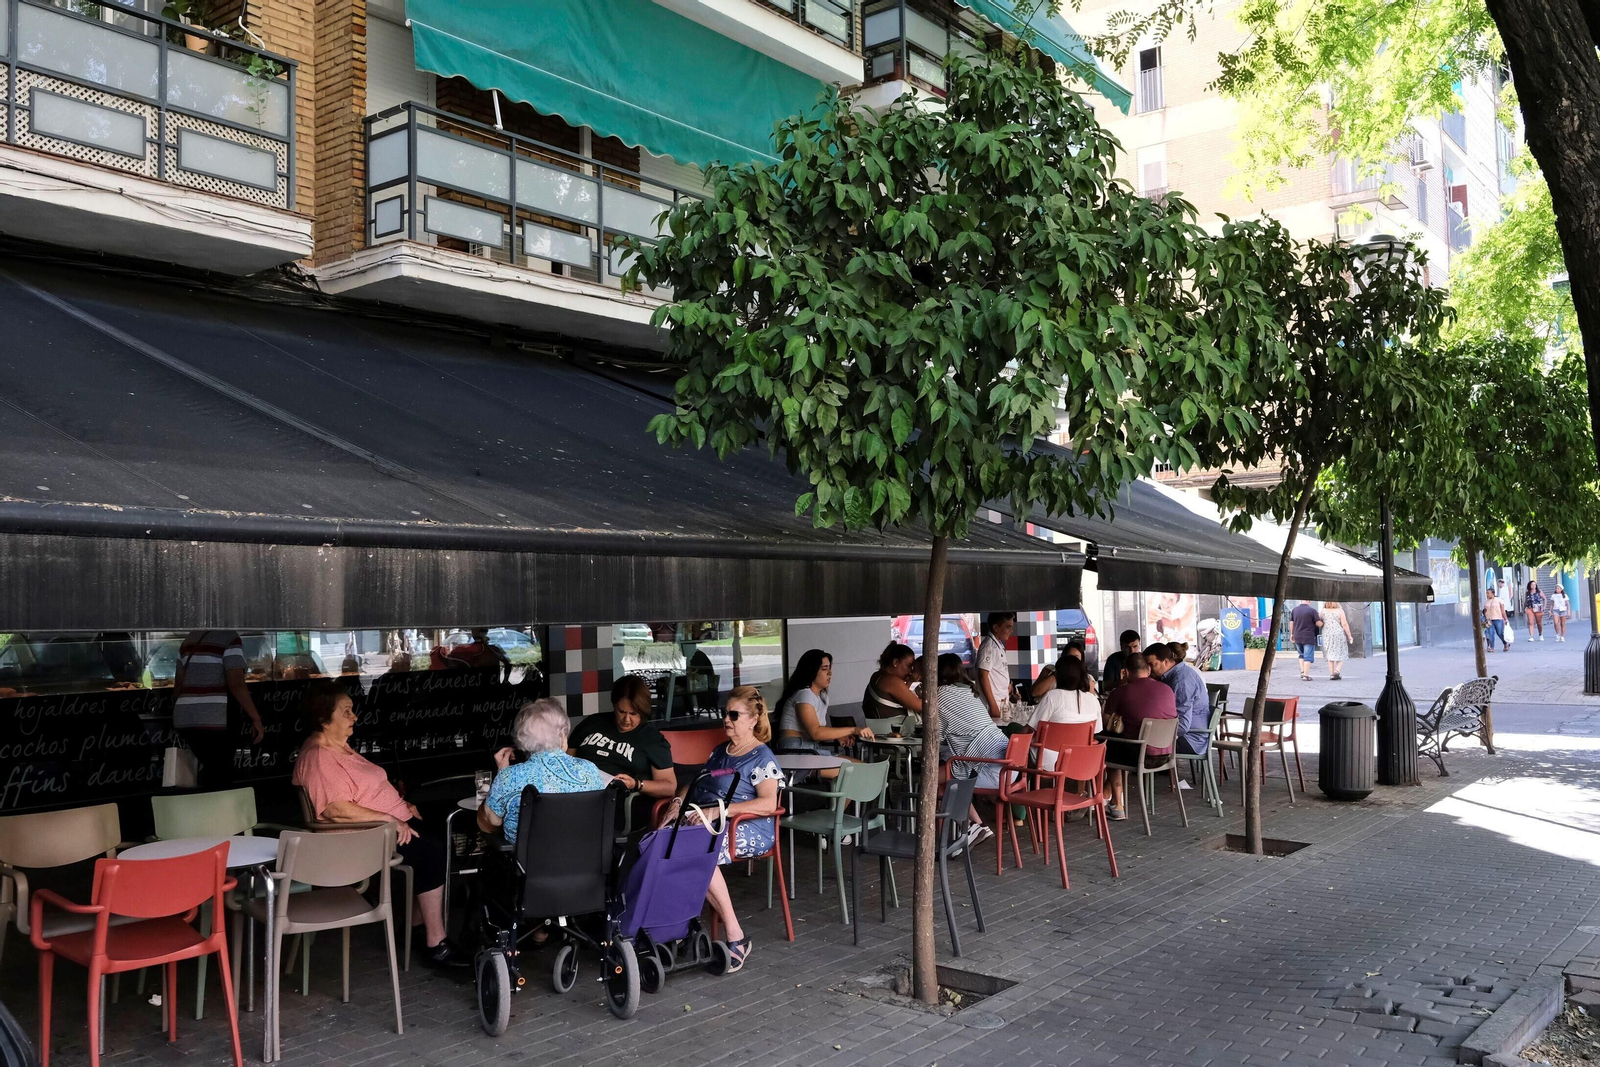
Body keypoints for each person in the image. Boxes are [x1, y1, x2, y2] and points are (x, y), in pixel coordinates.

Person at [293, 680, 464, 968]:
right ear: (324, 718)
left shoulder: (338, 747)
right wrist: (390, 817)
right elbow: (336, 809)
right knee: (432, 850)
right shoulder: (319, 757)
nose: (354, 717)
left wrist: (399, 802)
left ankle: (414, 926)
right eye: (346, 711)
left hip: (388, 826)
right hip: (365, 840)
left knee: (447, 833)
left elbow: (363, 791)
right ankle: (436, 943)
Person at [662, 686, 781, 974]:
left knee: (699, 854)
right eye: (724, 713)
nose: (726, 719)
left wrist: (721, 812)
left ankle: (735, 936)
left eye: (733, 715)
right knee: (663, 845)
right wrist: (678, 802)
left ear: (753, 719)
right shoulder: (720, 752)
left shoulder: (761, 757)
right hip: (707, 822)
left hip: (749, 827)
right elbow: (697, 781)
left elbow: (768, 803)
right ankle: (677, 927)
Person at [479, 698, 607, 845]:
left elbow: (489, 823)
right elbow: (599, 818)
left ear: (522, 739)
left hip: (528, 866)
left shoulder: (510, 777)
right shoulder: (589, 770)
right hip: (587, 863)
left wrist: (501, 773)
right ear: (563, 735)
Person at [569, 675, 677, 816]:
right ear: (614, 705)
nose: (626, 719)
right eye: (621, 711)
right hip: (579, 793)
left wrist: (636, 784)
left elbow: (669, 787)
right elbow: (567, 758)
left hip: (618, 802)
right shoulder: (592, 723)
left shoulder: (652, 739)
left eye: (633, 713)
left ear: (643, 712)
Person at [173, 629, 265, 790]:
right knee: (220, 774)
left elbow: (178, 685)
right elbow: (236, 683)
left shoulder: (190, 639)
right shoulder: (229, 638)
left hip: (185, 718)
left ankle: (204, 808)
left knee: (208, 772)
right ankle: (218, 811)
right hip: (215, 719)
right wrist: (255, 718)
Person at [932, 655, 1002, 849]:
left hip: (987, 768)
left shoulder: (940, 694)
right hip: (1006, 765)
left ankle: (962, 831)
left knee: (929, 779)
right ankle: (974, 826)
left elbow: (934, 736)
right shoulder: (970, 692)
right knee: (942, 781)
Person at [1102, 653, 1176, 820]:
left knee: (1108, 744)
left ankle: (1117, 804)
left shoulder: (1120, 692)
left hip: (1139, 755)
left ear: (1125, 673)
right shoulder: (1167, 690)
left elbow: (1106, 722)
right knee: (1118, 745)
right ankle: (1106, 795)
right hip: (1166, 755)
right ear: (1149, 670)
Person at [774, 649, 873, 754]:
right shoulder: (804, 694)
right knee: (853, 767)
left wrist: (839, 736)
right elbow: (815, 732)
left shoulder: (822, 696)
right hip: (795, 748)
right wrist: (853, 730)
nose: (830, 673)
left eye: (830, 668)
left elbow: (819, 730)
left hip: (810, 748)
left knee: (855, 767)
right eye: (824, 669)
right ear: (811, 671)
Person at [1029, 656, 1101, 770]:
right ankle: (1078, 787)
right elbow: (1096, 732)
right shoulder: (1093, 700)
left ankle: (1032, 786)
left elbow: (1030, 730)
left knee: (1024, 747)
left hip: (1050, 762)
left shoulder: (1052, 696)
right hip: (1083, 760)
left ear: (1057, 676)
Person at [1147, 642, 1210, 761]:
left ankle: (1147, 776)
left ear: (1165, 662)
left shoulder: (1181, 681)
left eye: (1152, 664)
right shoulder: (1173, 675)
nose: (1149, 670)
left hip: (1190, 739)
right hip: (1188, 736)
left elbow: (1182, 726)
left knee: (1141, 744)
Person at [862, 642, 924, 726]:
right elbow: (921, 706)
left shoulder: (877, 676)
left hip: (880, 729)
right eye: (908, 665)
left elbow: (901, 697)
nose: (911, 670)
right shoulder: (891, 680)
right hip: (893, 732)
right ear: (895, 662)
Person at [974, 613, 1017, 722]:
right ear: (996, 627)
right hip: (993, 705)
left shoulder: (998, 645)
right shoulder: (989, 647)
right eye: (1008, 627)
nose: (1011, 631)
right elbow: (983, 675)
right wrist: (993, 706)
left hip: (1002, 701)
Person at [1289, 601, 1322, 681]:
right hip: (1308, 636)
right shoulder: (1312, 610)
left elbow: (1291, 623)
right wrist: (1322, 622)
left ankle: (1302, 671)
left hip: (1297, 636)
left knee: (1301, 655)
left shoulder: (1295, 610)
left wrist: (1292, 634)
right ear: (1309, 601)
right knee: (1308, 656)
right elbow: (1318, 623)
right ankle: (1305, 675)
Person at [1101, 630, 1141, 695]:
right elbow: (1106, 686)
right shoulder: (1113, 660)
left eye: (1135, 646)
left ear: (1139, 644)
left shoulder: (1143, 660)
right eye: (1127, 647)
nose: (1132, 651)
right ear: (1121, 646)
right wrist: (1121, 683)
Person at [1320, 601, 1353, 681]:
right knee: (1340, 652)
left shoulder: (1322, 611)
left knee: (1329, 654)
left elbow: (1320, 622)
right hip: (1338, 633)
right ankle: (1336, 671)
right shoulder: (1340, 611)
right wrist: (1349, 636)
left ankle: (1332, 674)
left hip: (1327, 634)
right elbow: (1344, 624)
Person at [1484, 587, 1511, 652]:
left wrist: (1506, 619)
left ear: (1493, 593)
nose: (1487, 594)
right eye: (1486, 593)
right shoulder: (1486, 602)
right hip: (1489, 620)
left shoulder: (1499, 600)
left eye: (1488, 593)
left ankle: (1505, 643)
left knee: (1500, 633)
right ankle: (1492, 647)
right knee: (1490, 633)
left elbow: (1503, 611)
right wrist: (1485, 619)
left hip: (1498, 619)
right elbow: (1485, 611)